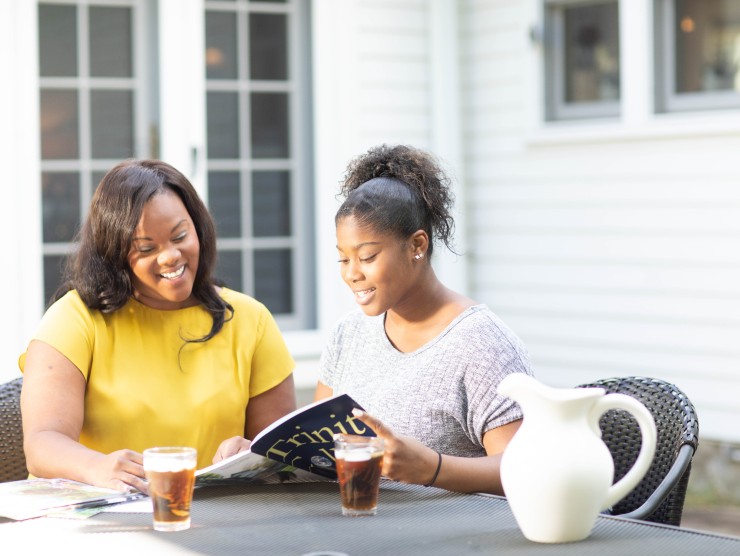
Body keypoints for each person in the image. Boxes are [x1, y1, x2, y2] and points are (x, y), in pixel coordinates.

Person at [19, 159, 296, 494]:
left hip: (209, 519)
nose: (170, 257)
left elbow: (282, 453)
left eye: (180, 235)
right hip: (96, 519)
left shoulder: (251, 320)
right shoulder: (74, 319)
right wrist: (98, 467)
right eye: (146, 248)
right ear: (115, 254)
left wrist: (249, 454)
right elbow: (43, 443)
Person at [314, 144, 533, 495]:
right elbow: (318, 448)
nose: (352, 274)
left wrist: (432, 468)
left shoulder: (481, 343)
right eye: (343, 259)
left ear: (417, 245)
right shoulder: (348, 334)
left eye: (367, 256)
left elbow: (526, 468)